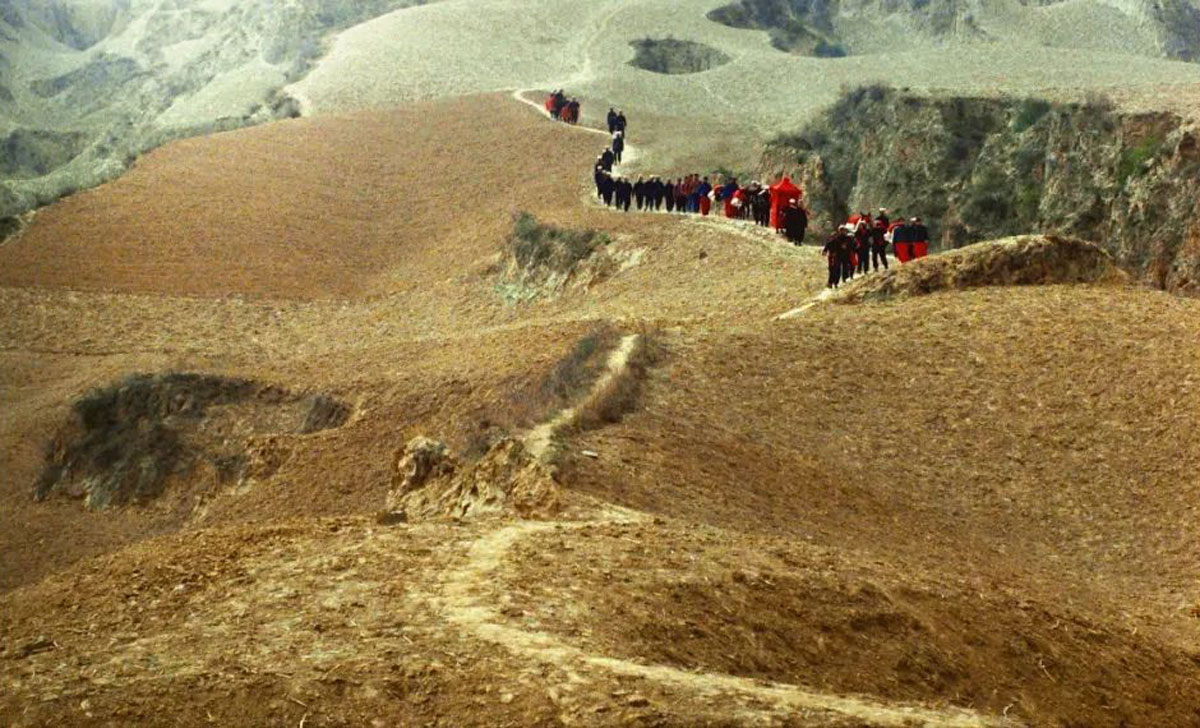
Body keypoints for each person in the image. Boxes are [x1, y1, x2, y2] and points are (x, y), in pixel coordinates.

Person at [822, 225, 853, 289]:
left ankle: (842, 280)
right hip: (837, 256)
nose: (842, 232)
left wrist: (847, 248)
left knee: (845, 268)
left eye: (843, 230)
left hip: (845, 255)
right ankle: (833, 283)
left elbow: (851, 246)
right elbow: (829, 244)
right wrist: (825, 250)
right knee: (835, 269)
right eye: (841, 230)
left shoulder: (848, 238)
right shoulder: (837, 238)